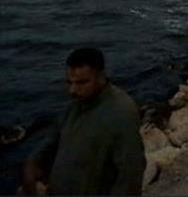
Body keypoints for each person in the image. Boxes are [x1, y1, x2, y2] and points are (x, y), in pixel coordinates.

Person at [21, 48, 145, 195]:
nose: (72, 90)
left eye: (82, 82)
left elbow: (130, 175)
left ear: (101, 76)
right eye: (69, 82)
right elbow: (53, 139)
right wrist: (33, 161)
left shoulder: (121, 113)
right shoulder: (78, 103)